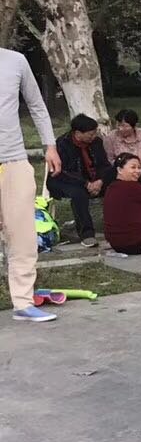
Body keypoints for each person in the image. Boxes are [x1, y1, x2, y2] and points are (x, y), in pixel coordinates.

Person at [0, 46, 61, 323]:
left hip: (13, 160)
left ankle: (23, 302)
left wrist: (50, 146)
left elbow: (37, 105)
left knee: (22, 236)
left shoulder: (16, 61)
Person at [49, 114, 114, 247]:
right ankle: (87, 234)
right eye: (90, 134)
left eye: (95, 133)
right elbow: (64, 171)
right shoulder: (62, 144)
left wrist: (100, 181)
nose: (94, 136)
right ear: (78, 133)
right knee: (79, 194)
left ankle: (118, 226)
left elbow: (104, 164)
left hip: (94, 179)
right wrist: (86, 183)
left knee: (117, 184)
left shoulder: (96, 142)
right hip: (65, 181)